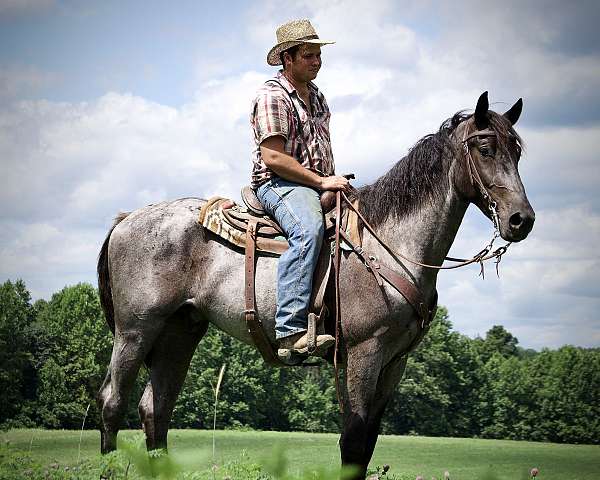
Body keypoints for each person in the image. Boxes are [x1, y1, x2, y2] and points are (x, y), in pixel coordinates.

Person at [250, 19, 349, 362]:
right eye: (308, 55)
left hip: (314, 181)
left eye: (318, 54)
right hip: (278, 183)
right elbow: (274, 157)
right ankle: (290, 330)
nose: (317, 61)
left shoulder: (318, 97)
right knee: (308, 230)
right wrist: (321, 182)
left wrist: (329, 180)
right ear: (286, 59)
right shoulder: (273, 95)